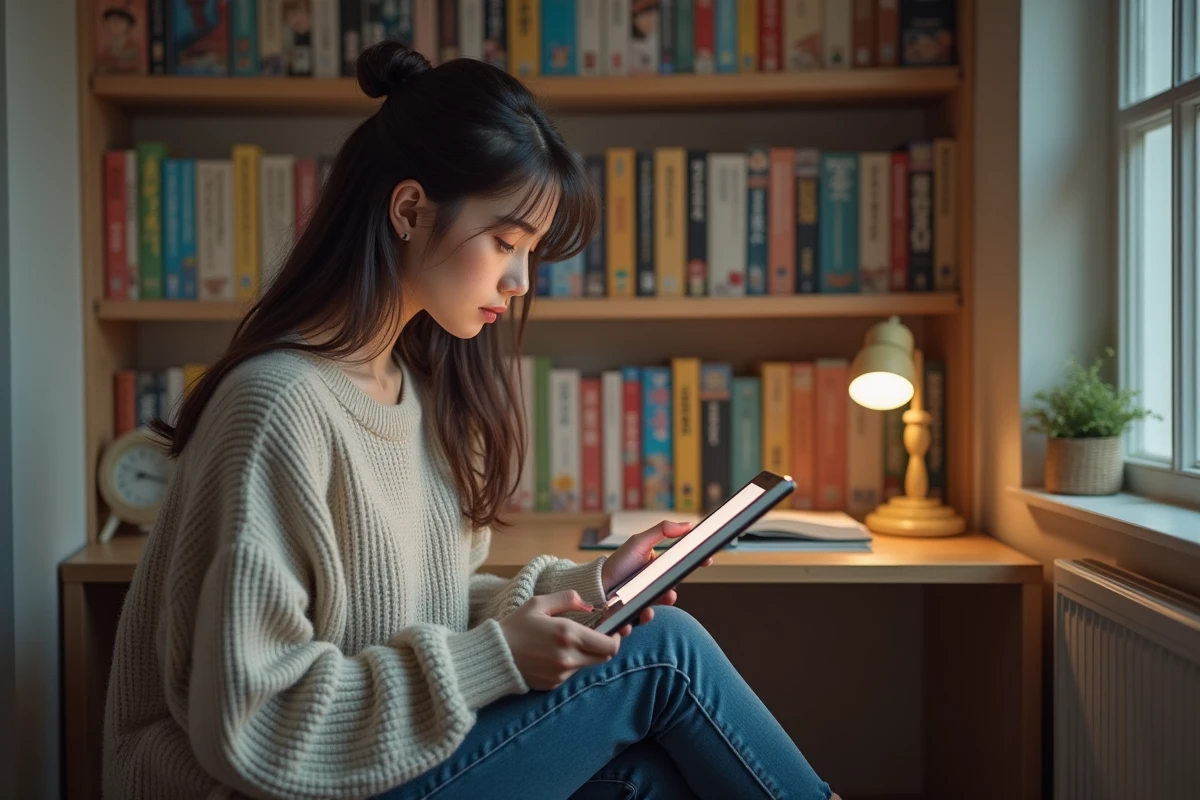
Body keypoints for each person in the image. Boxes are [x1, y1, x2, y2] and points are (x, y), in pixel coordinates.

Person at [101, 41, 839, 800]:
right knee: (665, 654)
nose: (519, 281)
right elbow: (255, 720)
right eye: (506, 242)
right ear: (411, 209)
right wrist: (497, 660)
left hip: (371, 767)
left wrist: (596, 583)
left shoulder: (408, 389)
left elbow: (428, 611)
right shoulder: (281, 406)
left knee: (648, 775)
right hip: (271, 783)